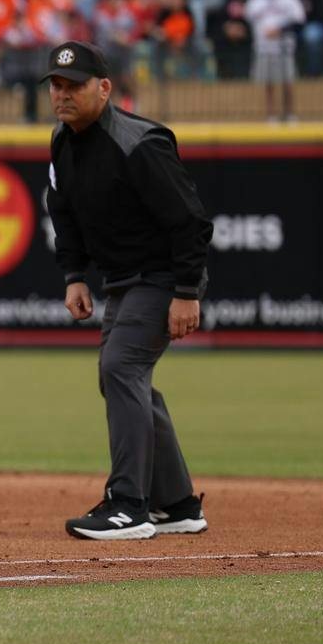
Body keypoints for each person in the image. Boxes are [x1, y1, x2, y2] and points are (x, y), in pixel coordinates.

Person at [42, 41, 212, 541]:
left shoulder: (139, 142)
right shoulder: (62, 141)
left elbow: (190, 222)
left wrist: (186, 290)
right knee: (121, 376)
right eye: (56, 85)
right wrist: (74, 273)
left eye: (74, 85)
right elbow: (63, 211)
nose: (63, 94)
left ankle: (128, 504)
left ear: (105, 88)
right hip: (125, 278)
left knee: (121, 368)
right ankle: (177, 503)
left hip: (162, 275)